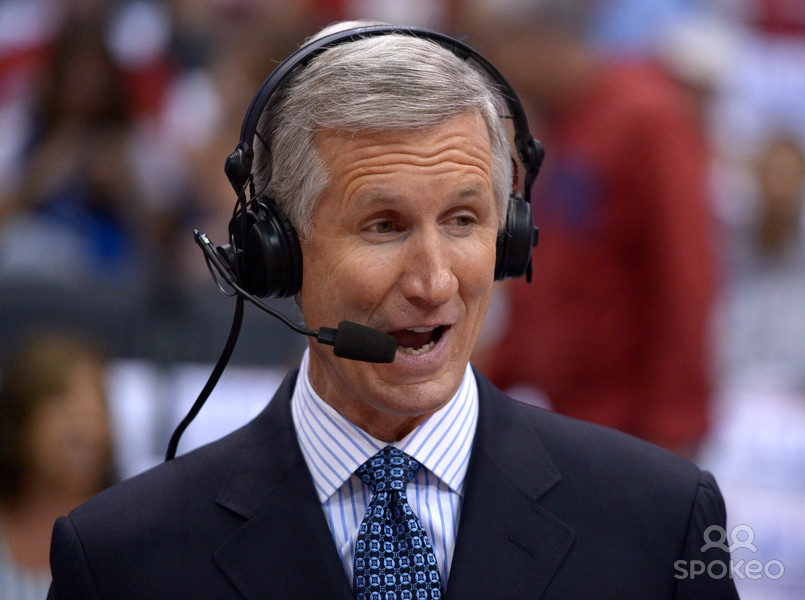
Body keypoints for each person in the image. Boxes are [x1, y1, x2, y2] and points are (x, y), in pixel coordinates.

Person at [47, 21, 739, 599]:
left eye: (463, 220)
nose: (434, 282)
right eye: (383, 226)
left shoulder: (663, 521)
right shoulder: (120, 559)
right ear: (278, 252)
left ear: (509, 239)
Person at [461, 0, 718, 457]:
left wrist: (675, 419)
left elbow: (684, 272)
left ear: (535, 39)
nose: (500, 74)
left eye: (501, 49)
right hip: (571, 417)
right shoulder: (568, 119)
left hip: (633, 427)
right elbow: (555, 273)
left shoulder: (645, 116)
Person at [0, 330, 114, 599]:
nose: (87, 427)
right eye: (63, 404)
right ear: (20, 421)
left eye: (97, 402)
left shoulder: (126, 535)